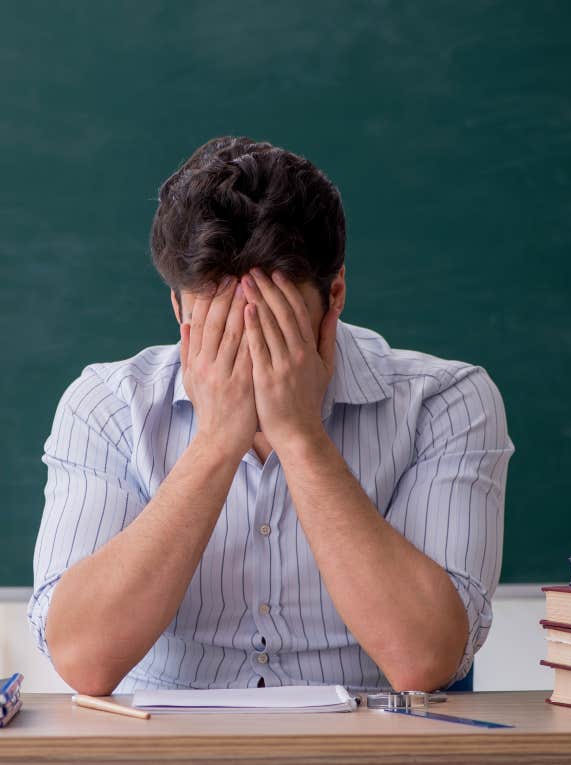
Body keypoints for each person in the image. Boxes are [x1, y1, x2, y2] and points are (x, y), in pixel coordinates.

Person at [28, 137, 513, 695]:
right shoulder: (106, 405)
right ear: (178, 309)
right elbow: (83, 661)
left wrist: (302, 437)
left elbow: (424, 660)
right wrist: (215, 441)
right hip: (163, 746)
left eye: (274, 325)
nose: (248, 348)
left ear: (334, 297)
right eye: (221, 327)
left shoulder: (444, 400)